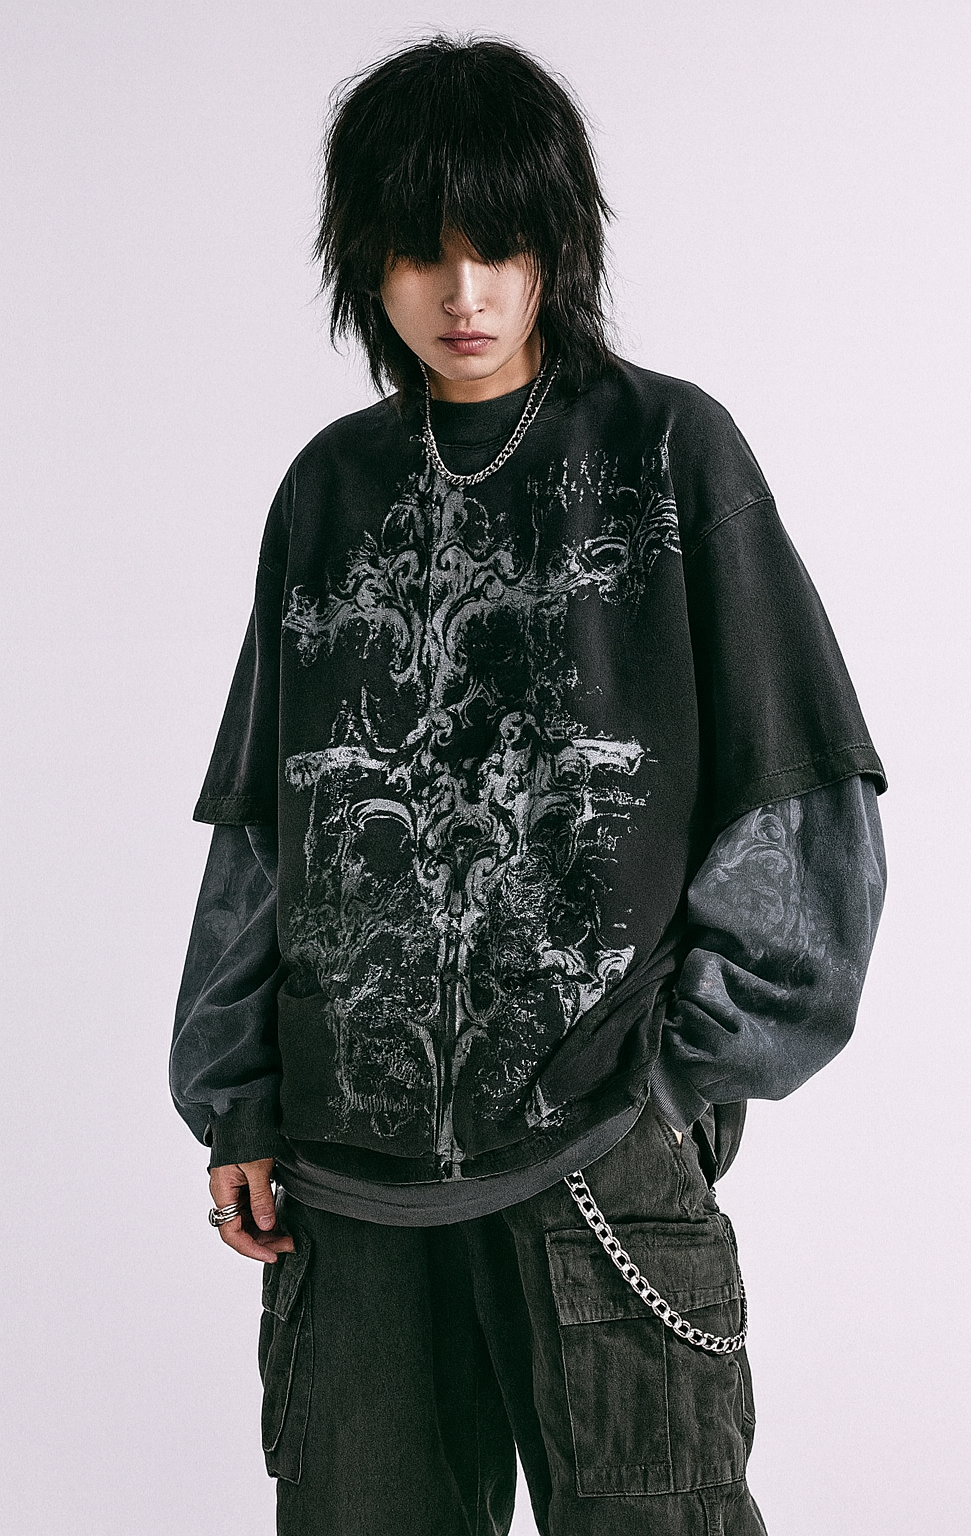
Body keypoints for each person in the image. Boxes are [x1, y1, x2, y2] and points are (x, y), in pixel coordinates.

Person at [170, 33, 887, 1536]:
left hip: (599, 1162)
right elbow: (263, 826)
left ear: (557, 246)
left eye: (499, 246)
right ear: (364, 262)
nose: (466, 292)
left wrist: (674, 1082)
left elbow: (802, 793)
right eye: (421, 252)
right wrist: (236, 1097)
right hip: (346, 1184)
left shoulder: (669, 451)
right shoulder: (327, 489)